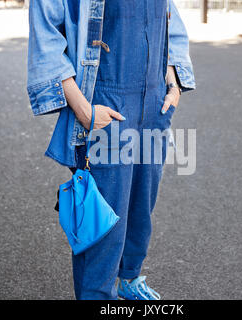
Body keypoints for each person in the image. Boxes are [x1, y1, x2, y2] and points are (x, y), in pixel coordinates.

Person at [27, 0, 195, 300]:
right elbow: (47, 32)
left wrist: (173, 82)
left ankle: (128, 280)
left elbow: (170, 19)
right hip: (104, 101)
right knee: (102, 222)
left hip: (155, 101)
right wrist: (83, 109)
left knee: (141, 206)